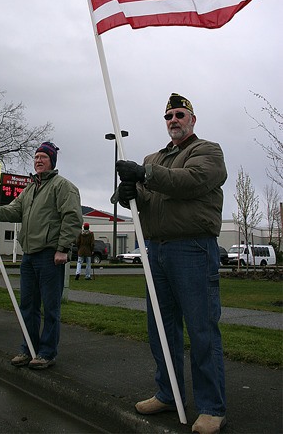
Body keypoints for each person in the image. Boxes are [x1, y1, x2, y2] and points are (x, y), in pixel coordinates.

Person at [115, 94, 227, 434]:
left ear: (192, 119)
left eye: (179, 114)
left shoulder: (207, 151)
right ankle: (168, 393)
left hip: (193, 249)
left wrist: (145, 174)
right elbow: (149, 197)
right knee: (161, 330)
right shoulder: (155, 158)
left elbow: (191, 182)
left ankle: (211, 407)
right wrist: (128, 194)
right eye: (168, 116)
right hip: (156, 250)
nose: (173, 120)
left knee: (202, 330)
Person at [0, 141, 82, 369]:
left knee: (50, 308)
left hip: (50, 256)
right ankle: (28, 349)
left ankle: (47, 353)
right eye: (36, 157)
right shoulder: (30, 190)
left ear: (52, 160)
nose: (38, 160)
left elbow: (72, 219)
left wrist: (63, 249)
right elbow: (14, 210)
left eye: (43, 157)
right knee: (28, 306)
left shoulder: (63, 187)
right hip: (30, 256)